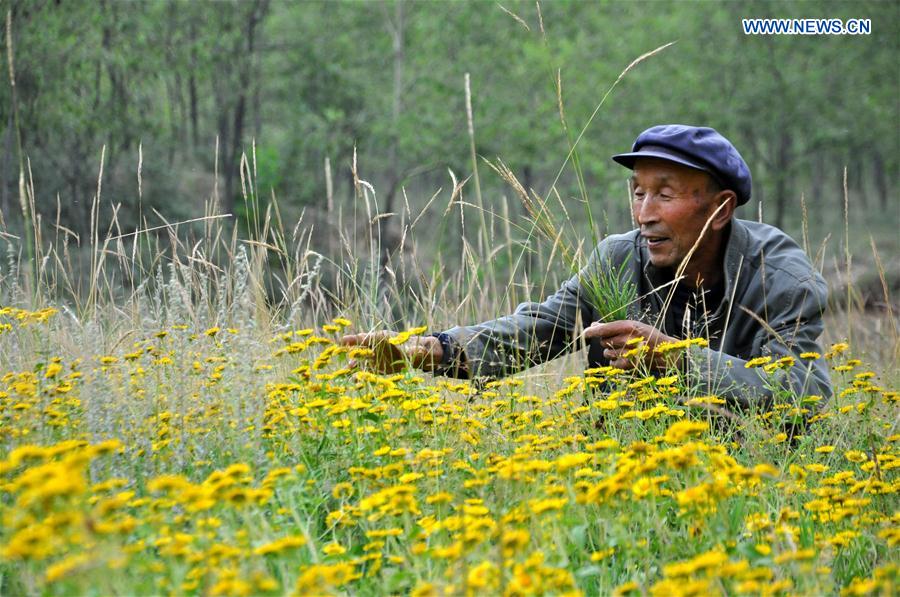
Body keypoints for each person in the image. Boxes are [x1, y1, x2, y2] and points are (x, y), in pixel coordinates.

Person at [342, 125, 832, 409]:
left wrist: (677, 359)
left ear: (722, 209)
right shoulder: (617, 258)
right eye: (638, 192)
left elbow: (805, 391)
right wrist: (433, 351)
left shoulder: (780, 278)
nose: (644, 213)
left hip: (748, 481)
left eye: (665, 193)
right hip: (620, 472)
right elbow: (540, 328)